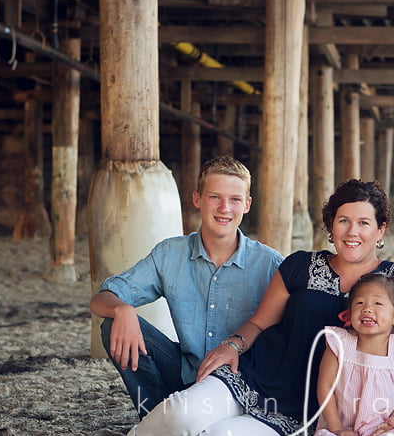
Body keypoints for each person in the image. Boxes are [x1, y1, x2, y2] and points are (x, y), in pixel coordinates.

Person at [66, 179, 394, 436]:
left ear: (381, 229)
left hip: (306, 413)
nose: (352, 231)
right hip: (254, 375)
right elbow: (259, 322)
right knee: (181, 414)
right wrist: (232, 345)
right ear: (331, 225)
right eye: (344, 220)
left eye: (364, 223)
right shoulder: (299, 265)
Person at [89, 156, 282, 418]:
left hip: (239, 386)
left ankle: (172, 424)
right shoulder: (171, 254)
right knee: (111, 324)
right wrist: (123, 310)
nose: (225, 208)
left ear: (247, 205)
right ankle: (155, 417)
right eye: (214, 197)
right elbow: (101, 299)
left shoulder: (270, 263)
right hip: (183, 375)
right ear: (197, 200)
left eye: (235, 199)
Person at [310, 272, 394, 436]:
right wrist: (337, 428)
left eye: (378, 304)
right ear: (350, 313)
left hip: (378, 431)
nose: (367, 308)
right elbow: (325, 388)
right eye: (359, 303)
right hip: (340, 427)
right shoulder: (339, 343)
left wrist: (393, 421)